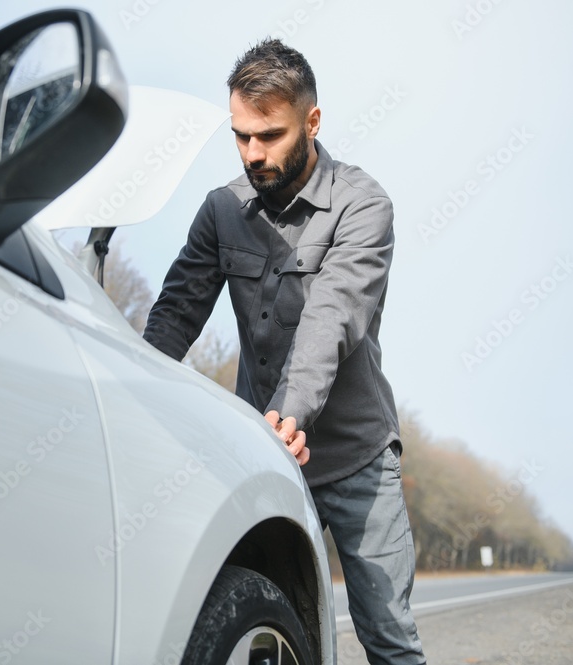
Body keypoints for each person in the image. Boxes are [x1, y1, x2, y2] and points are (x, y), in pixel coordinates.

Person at [142, 39, 426, 664]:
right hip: (265, 457)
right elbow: (175, 315)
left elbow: (332, 318)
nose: (252, 154)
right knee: (263, 620)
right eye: (240, 136)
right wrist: (134, 396)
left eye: (268, 135)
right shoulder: (220, 211)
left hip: (356, 461)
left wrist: (291, 411)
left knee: (388, 635)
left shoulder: (363, 205)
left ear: (313, 121)